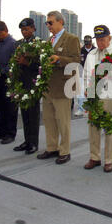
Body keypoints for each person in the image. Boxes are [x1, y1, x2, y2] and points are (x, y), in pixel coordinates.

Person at [36, 11, 81, 165]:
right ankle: (52, 147)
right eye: (47, 23)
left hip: (63, 86)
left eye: (50, 22)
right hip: (48, 87)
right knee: (48, 119)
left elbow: (76, 60)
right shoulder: (49, 41)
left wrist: (58, 59)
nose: (48, 25)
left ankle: (64, 151)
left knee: (63, 121)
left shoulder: (71, 39)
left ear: (60, 22)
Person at [83, 25, 112, 173]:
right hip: (94, 95)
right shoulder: (91, 55)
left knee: (109, 128)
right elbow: (86, 74)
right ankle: (94, 157)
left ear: (109, 38)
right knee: (93, 127)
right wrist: (86, 90)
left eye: (103, 39)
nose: (100, 42)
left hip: (110, 94)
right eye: (98, 40)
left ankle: (108, 160)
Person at [12, 18, 41, 155]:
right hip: (21, 83)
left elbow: (41, 66)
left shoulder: (39, 44)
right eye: (22, 30)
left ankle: (33, 143)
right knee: (24, 114)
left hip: (33, 83)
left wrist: (27, 63)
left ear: (33, 29)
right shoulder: (18, 44)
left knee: (33, 114)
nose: (24, 32)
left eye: (27, 29)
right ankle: (26, 140)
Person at [75, 35, 96, 117]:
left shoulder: (95, 50)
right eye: (86, 43)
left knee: (91, 91)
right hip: (82, 72)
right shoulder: (80, 50)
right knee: (81, 92)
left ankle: (90, 108)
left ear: (91, 42)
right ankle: (81, 109)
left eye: (89, 43)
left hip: (93, 72)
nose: (88, 45)